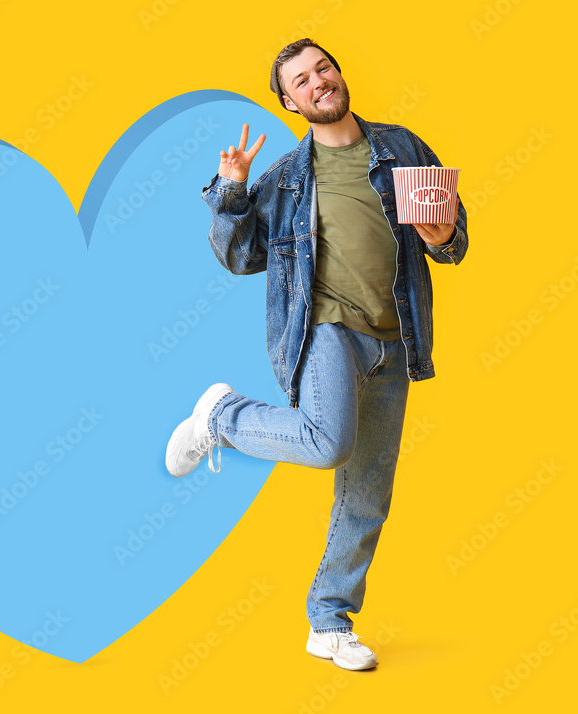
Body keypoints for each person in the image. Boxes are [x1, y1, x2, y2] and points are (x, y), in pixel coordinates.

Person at [164, 38, 468, 670]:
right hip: (326, 327)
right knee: (329, 442)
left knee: (368, 495)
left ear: (339, 73)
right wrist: (231, 191)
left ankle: (329, 624)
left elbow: (451, 241)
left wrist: (443, 233)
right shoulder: (287, 180)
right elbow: (240, 257)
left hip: (396, 337)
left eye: (323, 69)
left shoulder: (403, 149)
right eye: (301, 81)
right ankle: (221, 418)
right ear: (290, 102)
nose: (318, 82)